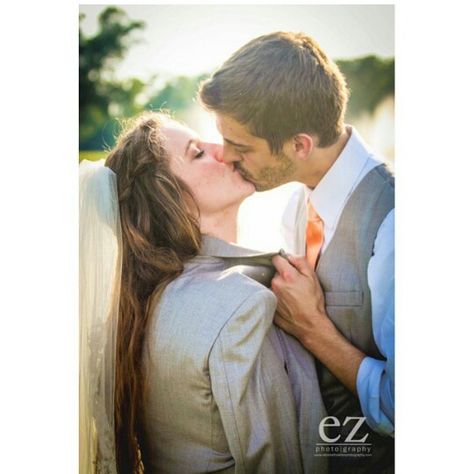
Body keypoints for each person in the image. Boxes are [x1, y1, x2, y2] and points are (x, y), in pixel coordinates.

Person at [79, 111, 329, 474]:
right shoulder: (239, 304)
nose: (224, 150)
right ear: (169, 198)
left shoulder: (144, 302)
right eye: (198, 152)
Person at [199, 31, 394, 473]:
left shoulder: (395, 224)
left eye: (242, 147)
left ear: (299, 145)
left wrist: (313, 329)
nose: (226, 157)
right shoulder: (297, 202)